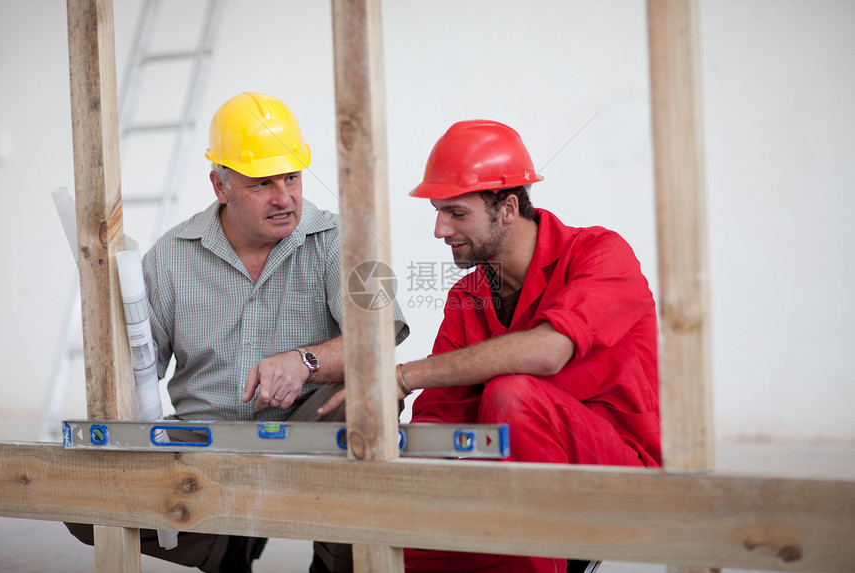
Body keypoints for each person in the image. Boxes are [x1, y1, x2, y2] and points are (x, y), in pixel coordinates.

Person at [66, 92, 409, 573]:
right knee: (80, 492)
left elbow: (380, 336)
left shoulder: (341, 240)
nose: (284, 197)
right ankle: (225, 545)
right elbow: (129, 368)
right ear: (220, 186)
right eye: (262, 183)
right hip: (207, 442)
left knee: (368, 401)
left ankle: (336, 559)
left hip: (306, 435)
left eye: (291, 177)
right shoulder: (169, 259)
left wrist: (305, 361)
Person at [398, 120, 660, 572]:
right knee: (384, 541)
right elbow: (441, 418)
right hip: (514, 483)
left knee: (512, 393)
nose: (440, 230)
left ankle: (555, 547)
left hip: (618, 474)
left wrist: (403, 376)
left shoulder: (600, 254)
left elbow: (547, 351)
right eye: (438, 212)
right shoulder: (467, 296)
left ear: (507, 208)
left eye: (457, 213)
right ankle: (549, 547)